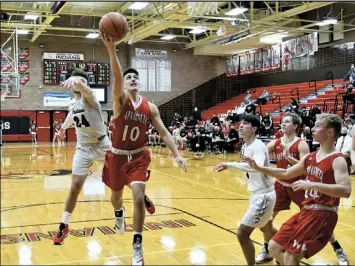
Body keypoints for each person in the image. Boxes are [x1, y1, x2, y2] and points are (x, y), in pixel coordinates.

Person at [101, 33, 187, 266]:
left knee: (138, 199)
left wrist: (177, 154)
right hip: (116, 157)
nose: (131, 80)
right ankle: (118, 214)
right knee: (116, 198)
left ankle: (137, 247)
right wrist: (112, 50)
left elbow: (164, 133)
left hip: (139, 156)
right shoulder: (120, 101)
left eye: (135, 78)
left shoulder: (151, 107)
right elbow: (117, 76)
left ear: (140, 83)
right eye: (128, 78)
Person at [52, 68, 156, 246]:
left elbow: (86, 90)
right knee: (75, 187)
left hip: (103, 145)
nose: (78, 84)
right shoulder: (73, 103)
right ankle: (64, 225)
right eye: (75, 82)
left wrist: (77, 81)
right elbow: (71, 114)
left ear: (85, 84)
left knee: (121, 177)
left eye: (82, 82)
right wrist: (62, 129)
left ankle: (142, 196)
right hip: (83, 148)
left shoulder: (91, 99)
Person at [243, 113, 351, 265]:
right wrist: (260, 167)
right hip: (304, 207)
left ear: (330, 132)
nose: (312, 129)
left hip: (323, 212)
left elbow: (346, 191)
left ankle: (337, 248)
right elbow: (286, 173)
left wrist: (313, 184)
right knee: (274, 247)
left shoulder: (337, 159)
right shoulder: (311, 157)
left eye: (318, 125)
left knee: (291, 255)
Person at [213, 114, 276, 266]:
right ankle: (287, 246)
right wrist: (230, 165)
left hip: (264, 196)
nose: (240, 126)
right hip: (258, 193)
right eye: (240, 123)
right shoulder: (246, 145)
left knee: (242, 234)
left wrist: (231, 164)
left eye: (245, 123)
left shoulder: (258, 146)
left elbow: (257, 167)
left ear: (254, 128)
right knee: (267, 229)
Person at [255, 112, 309, 264]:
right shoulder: (276, 142)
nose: (283, 124)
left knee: (313, 217)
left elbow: (305, 169)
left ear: (296, 126)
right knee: (266, 220)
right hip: (280, 185)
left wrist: (289, 157)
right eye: (282, 122)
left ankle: (336, 247)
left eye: (287, 122)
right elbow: (262, 155)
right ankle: (268, 249)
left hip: (298, 186)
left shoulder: (301, 144)